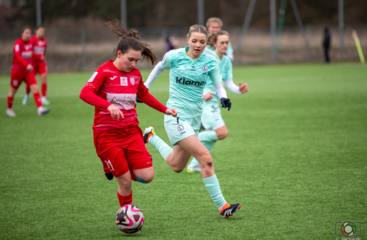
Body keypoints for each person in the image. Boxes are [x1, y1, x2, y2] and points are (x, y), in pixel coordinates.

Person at [143, 24, 241, 218]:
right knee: (206, 158)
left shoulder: (210, 60)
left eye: (202, 42)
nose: (198, 45)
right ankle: (223, 207)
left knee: (176, 165)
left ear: (207, 43)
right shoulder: (175, 56)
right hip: (175, 115)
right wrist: (144, 87)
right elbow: (158, 68)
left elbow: (217, 83)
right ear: (188, 40)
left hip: (195, 118)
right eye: (194, 41)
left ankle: (150, 136)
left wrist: (223, 97)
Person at [79, 20, 177, 209]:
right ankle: (127, 213)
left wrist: (165, 109)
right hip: (107, 135)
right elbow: (85, 93)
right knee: (125, 181)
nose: (133, 64)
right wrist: (108, 106)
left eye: (136, 61)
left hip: (131, 132)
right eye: (129, 60)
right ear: (119, 54)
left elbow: (144, 95)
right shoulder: (104, 71)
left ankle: (114, 168)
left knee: (147, 176)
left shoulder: (136, 75)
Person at [187, 31, 249, 173]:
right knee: (222, 133)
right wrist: (203, 93)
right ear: (214, 44)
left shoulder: (227, 62)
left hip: (215, 103)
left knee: (213, 137)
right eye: (222, 42)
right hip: (203, 103)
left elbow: (228, 83)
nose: (225, 45)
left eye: (227, 42)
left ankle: (194, 165)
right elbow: (193, 79)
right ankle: (188, 139)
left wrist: (239, 90)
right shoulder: (206, 58)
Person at [6, 27, 50, 117]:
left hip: (28, 71)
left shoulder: (32, 42)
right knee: (13, 91)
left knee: (35, 88)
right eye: (26, 33)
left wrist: (39, 60)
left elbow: (35, 53)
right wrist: (27, 65)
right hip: (17, 71)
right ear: (21, 34)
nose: (28, 35)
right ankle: (9, 109)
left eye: (29, 33)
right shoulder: (18, 43)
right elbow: (18, 56)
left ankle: (40, 109)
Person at [23, 26, 50, 105]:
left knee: (44, 79)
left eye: (43, 31)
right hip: (32, 64)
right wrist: (38, 57)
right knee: (30, 82)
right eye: (40, 31)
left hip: (41, 63)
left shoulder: (45, 41)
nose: (42, 33)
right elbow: (30, 52)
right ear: (36, 31)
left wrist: (44, 60)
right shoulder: (32, 40)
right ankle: (27, 95)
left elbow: (44, 53)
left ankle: (44, 98)